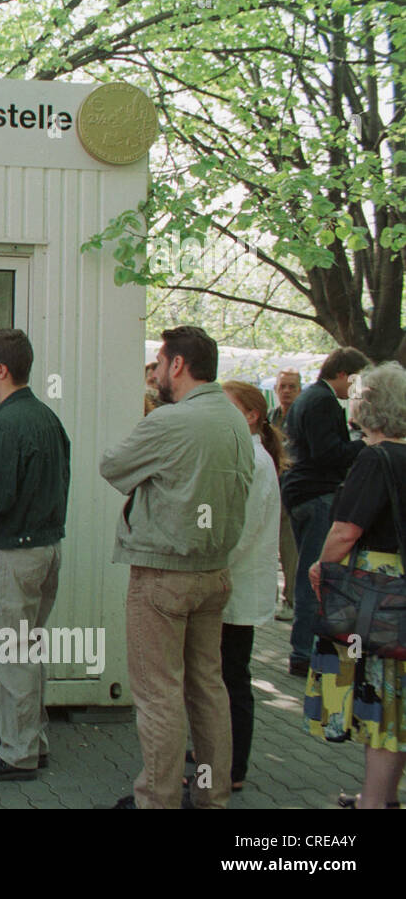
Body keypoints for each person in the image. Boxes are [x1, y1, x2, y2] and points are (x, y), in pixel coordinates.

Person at [100, 326, 253, 809]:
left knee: (158, 693)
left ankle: (158, 800)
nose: (157, 372)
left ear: (178, 366)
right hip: (214, 574)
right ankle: (212, 797)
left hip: (162, 575)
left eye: (161, 362)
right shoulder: (234, 420)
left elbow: (113, 466)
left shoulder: (170, 421)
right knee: (208, 688)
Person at [0, 329, 70, 780]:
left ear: (0, 370)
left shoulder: (4, 424)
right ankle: (31, 739)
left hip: (13, 554)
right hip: (45, 548)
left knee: (13, 656)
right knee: (29, 649)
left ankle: (16, 752)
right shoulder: (46, 418)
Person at [306, 361, 406, 810]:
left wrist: (320, 568)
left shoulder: (375, 457)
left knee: (380, 704)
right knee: (397, 705)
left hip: (373, 593)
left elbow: (346, 531)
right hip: (398, 588)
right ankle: (380, 798)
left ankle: (373, 803)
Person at [282, 347, 370, 677]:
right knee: (313, 575)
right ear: (345, 375)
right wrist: (362, 442)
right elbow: (328, 453)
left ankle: (302, 649)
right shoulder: (323, 401)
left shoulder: (310, 398)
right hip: (316, 492)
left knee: (309, 572)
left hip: (302, 492)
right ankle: (303, 652)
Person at [218, 380, 284, 792]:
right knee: (221, 675)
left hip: (236, 587)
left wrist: (210, 568)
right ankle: (218, 751)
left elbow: (241, 531)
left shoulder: (256, 462)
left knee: (231, 677)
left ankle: (234, 765)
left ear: (251, 415)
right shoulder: (248, 456)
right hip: (231, 585)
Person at [271, 368, 303, 622]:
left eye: (292, 386)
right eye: (283, 386)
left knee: (289, 546)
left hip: (291, 490)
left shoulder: (302, 417)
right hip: (270, 486)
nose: (287, 391)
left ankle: (290, 599)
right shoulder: (270, 417)